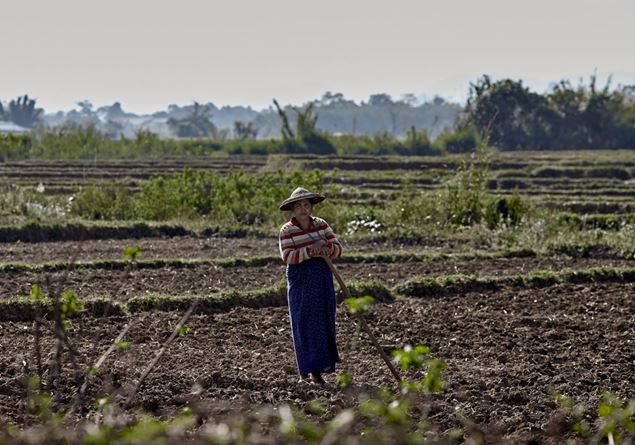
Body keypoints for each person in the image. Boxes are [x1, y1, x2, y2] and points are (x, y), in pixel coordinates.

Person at [278, 187, 342, 385]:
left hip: (322, 278)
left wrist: (326, 248)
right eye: (299, 206)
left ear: (311, 207)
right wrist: (310, 251)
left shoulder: (322, 226)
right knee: (303, 322)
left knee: (322, 321)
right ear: (293, 209)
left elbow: (338, 250)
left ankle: (319, 369)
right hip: (301, 279)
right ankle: (306, 371)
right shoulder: (287, 230)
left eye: (306, 205)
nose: (303, 209)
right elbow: (287, 256)